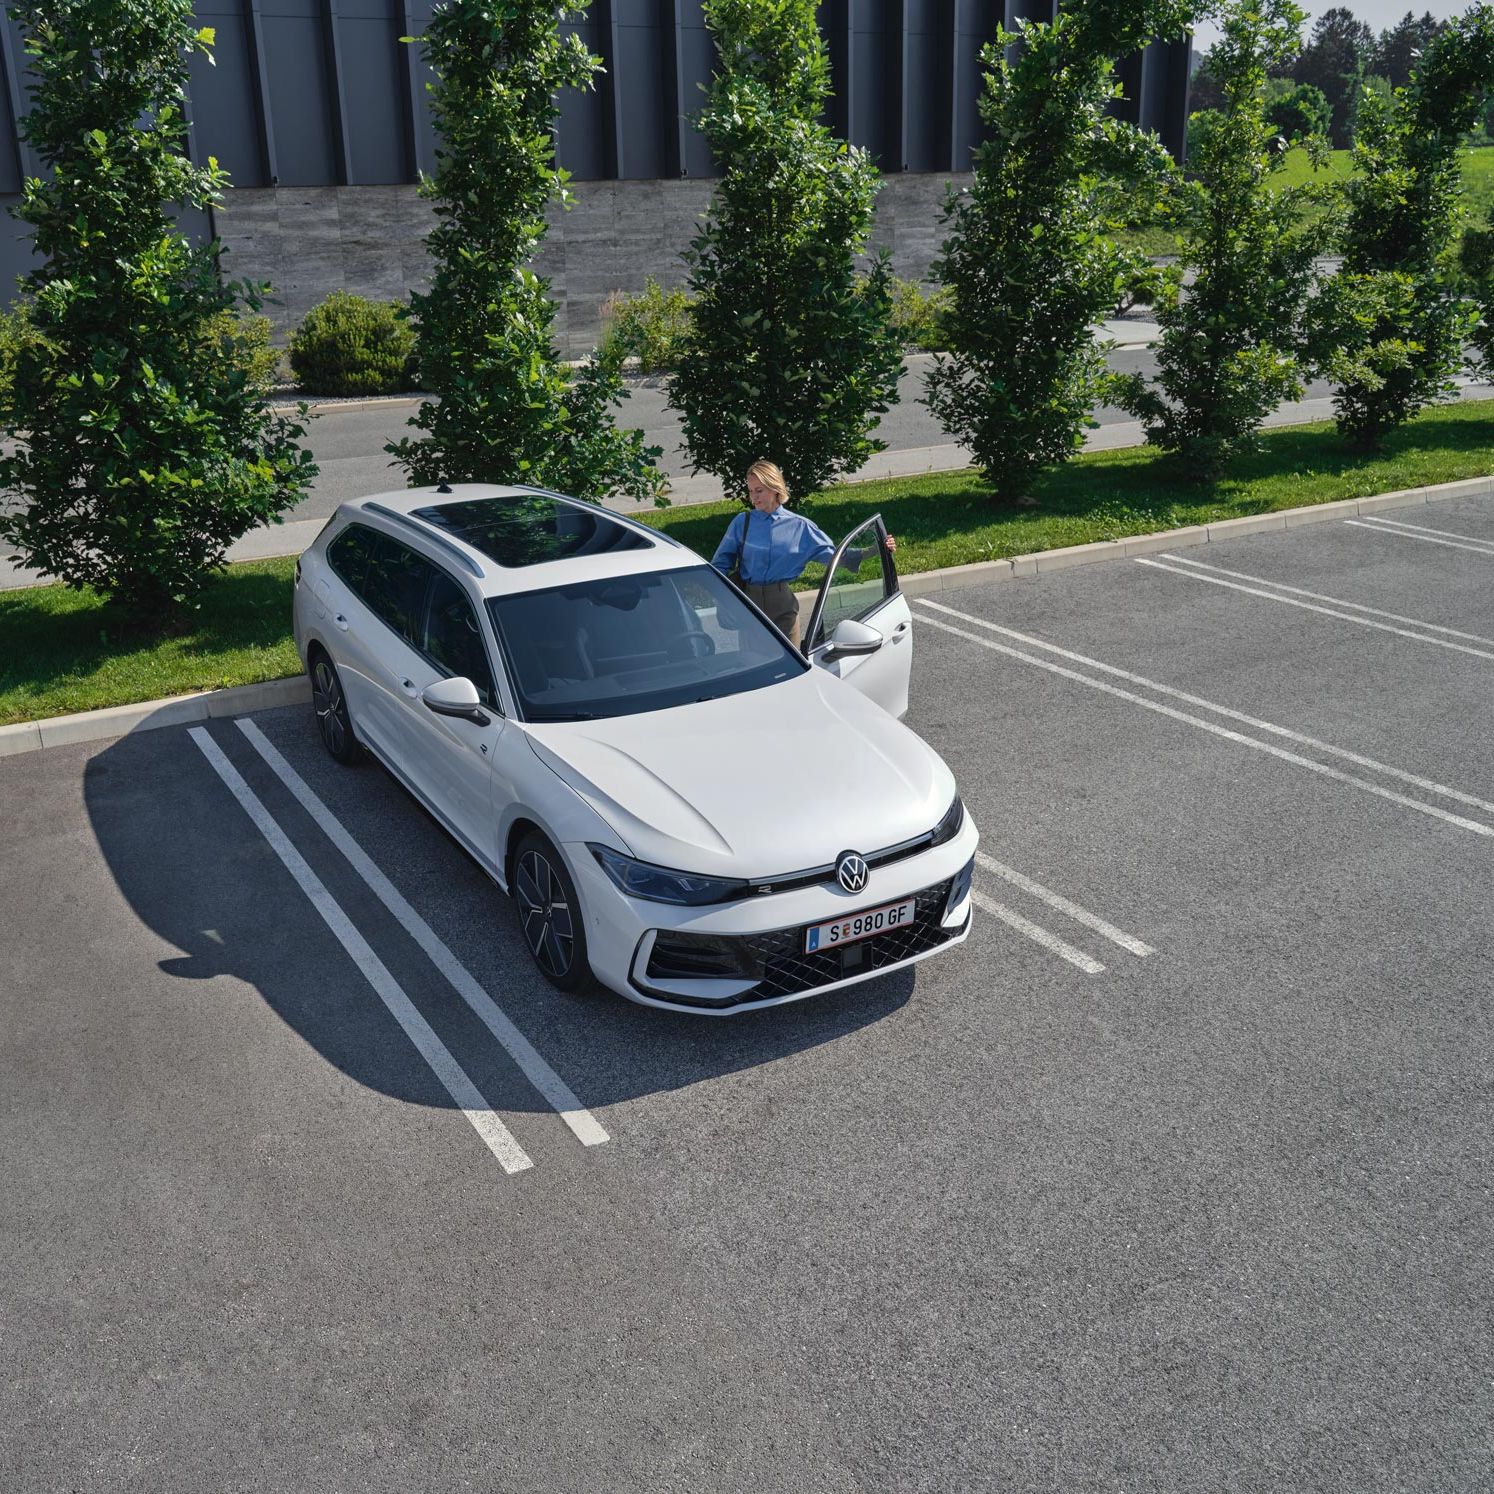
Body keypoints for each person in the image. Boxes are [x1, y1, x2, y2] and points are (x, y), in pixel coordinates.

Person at [710, 460, 896, 649]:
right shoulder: (742, 522)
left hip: (783, 607)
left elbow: (836, 557)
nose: (753, 497)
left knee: (790, 665)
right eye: (750, 491)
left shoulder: (800, 527)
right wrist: (721, 593)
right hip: (749, 606)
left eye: (759, 490)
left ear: (775, 488)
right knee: (753, 663)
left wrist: (877, 548)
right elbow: (720, 563)